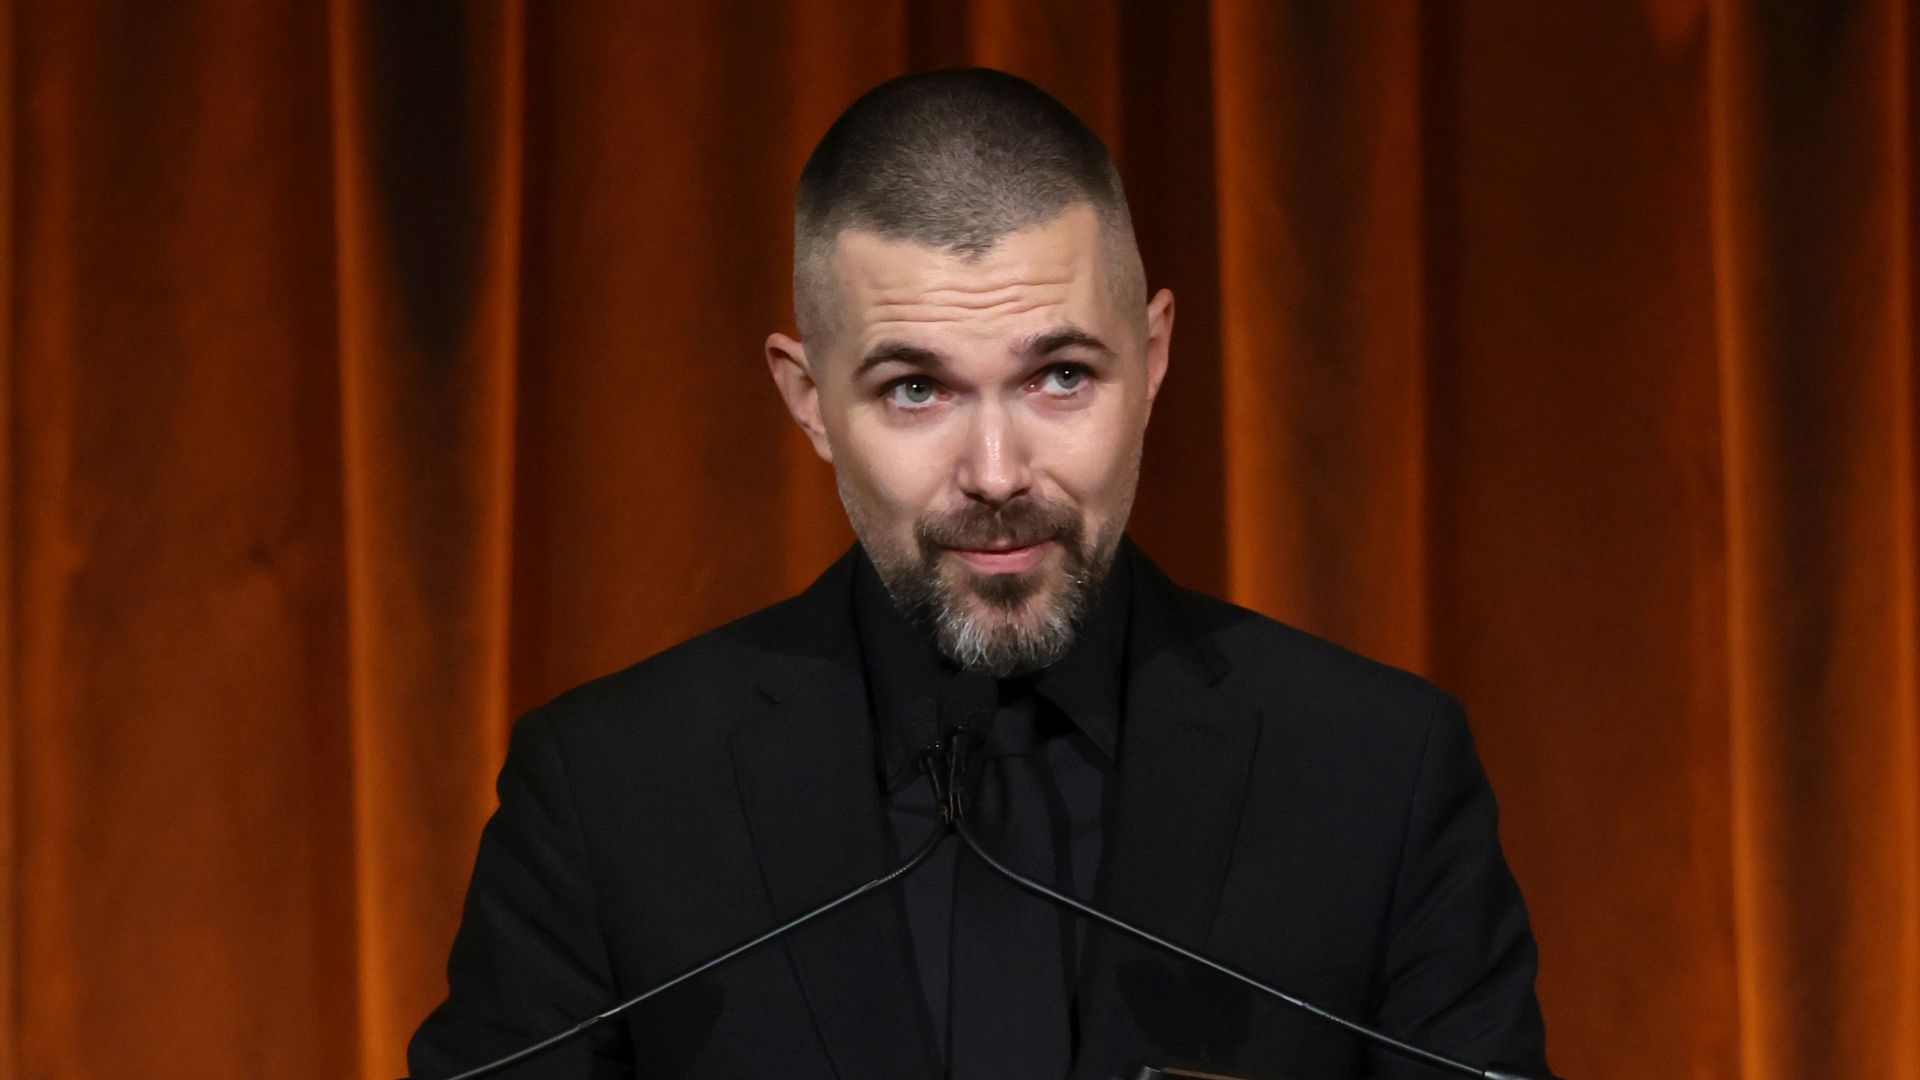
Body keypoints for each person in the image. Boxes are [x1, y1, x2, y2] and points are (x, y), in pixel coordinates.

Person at [408, 68, 1550, 1080]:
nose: (997, 473)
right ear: (808, 400)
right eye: (917, 389)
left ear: (1152, 359)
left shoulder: (1378, 773)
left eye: (1059, 375)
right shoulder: (609, 796)